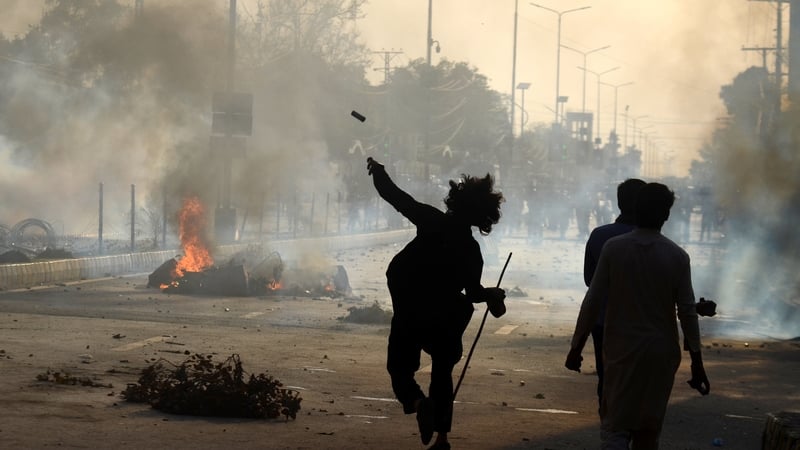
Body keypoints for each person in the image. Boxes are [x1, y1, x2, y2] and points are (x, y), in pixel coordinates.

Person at [366, 156, 507, 450]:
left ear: (455, 200)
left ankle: (418, 404)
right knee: (442, 373)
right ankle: (442, 437)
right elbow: (473, 293)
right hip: (445, 318)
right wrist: (492, 295)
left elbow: (397, 198)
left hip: (411, 310)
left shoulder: (432, 221)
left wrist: (379, 173)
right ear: (484, 216)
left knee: (400, 370)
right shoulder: (471, 250)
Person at [565, 182, 710, 449]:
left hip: (622, 351)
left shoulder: (614, 248)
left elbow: (592, 301)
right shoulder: (677, 256)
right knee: (647, 431)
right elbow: (687, 312)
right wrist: (697, 363)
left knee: (615, 427)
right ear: (666, 215)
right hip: (660, 355)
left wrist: (576, 347)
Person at [580, 178, 646, 407]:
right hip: (641, 324)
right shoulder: (655, 242)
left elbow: (590, 281)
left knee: (607, 380)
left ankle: (610, 429)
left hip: (604, 322)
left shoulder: (600, 235)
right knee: (637, 384)